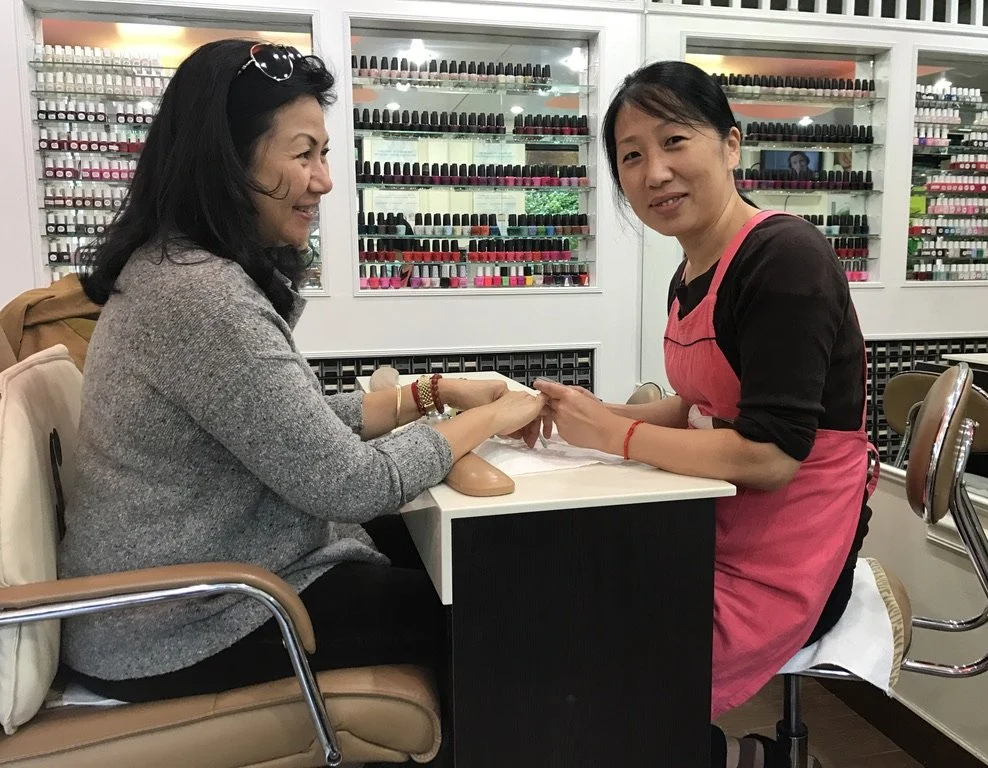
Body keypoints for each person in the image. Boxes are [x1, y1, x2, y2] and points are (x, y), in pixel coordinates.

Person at [58, 39, 546, 759]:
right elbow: (347, 482)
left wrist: (431, 393)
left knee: (448, 562)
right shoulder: (200, 297)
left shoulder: (179, 270)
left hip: (197, 590)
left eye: (325, 154)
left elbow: (292, 426)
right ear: (227, 161)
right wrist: (490, 417)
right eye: (303, 154)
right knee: (492, 606)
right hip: (181, 623)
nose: (324, 180)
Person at [534, 61, 874, 768]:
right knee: (565, 614)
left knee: (597, 669)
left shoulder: (785, 259)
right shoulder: (690, 270)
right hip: (713, 524)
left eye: (674, 141)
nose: (655, 172)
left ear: (730, 144)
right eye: (632, 156)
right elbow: (698, 406)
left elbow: (770, 457)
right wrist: (580, 412)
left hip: (787, 557)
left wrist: (617, 433)